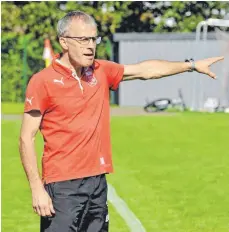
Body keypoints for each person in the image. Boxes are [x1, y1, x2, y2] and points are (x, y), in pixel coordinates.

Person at [19, 10, 224, 232]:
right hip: (62, 187)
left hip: (97, 183)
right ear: (64, 42)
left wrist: (191, 65)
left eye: (93, 39)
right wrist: (36, 188)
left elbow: (145, 70)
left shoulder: (101, 70)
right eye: (83, 39)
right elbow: (25, 137)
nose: (90, 46)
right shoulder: (42, 82)